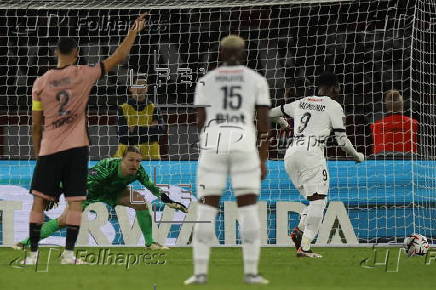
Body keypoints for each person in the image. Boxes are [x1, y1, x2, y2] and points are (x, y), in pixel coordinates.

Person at [26, 14, 147, 265]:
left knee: (39, 203)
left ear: (55, 53)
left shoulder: (40, 82)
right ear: (77, 53)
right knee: (76, 203)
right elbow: (118, 57)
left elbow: (36, 125)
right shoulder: (85, 73)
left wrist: (39, 154)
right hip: (76, 149)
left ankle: (31, 254)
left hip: (49, 149)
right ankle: (69, 255)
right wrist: (134, 30)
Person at [184, 35, 270, 285]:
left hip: (213, 140)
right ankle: (251, 272)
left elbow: (199, 121)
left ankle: (200, 272)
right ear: (243, 54)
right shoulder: (257, 80)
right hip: (244, 140)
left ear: (219, 53)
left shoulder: (205, 81)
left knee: (207, 207)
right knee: (247, 207)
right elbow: (264, 124)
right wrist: (262, 158)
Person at [16, 146, 188, 252]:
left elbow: (152, 187)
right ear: (122, 159)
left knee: (140, 202)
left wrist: (168, 201)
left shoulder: (139, 171)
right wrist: (58, 191)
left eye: (138, 161)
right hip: (89, 191)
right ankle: (25, 242)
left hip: (115, 192)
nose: (134, 164)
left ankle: (150, 243)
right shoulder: (108, 166)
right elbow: (82, 179)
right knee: (63, 221)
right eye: (131, 160)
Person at [269, 71, 364, 258]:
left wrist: (281, 122)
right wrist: (357, 155)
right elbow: (342, 141)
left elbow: (269, 113)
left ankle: (299, 230)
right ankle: (305, 247)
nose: (338, 91)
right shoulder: (333, 106)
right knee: (318, 202)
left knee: (317, 201)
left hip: (291, 154)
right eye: (337, 88)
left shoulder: (302, 102)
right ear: (333, 88)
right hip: (311, 154)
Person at [114, 78, 165, 160]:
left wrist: (134, 129)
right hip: (126, 158)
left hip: (151, 157)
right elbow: (122, 136)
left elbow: (159, 133)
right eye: (137, 85)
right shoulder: (122, 109)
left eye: (143, 85)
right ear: (130, 88)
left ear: (147, 88)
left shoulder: (154, 108)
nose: (140, 88)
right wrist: (149, 130)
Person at [370, 89, 418, 157]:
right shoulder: (413, 124)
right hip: (408, 163)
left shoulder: (374, 126)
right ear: (402, 105)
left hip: (382, 164)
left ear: (386, 105)